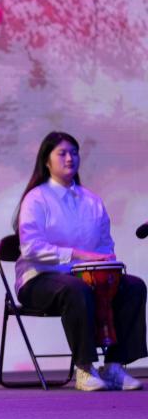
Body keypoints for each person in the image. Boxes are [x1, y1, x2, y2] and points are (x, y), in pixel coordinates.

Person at [14, 131, 146, 391]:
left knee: (133, 286)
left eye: (74, 153)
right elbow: (30, 248)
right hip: (39, 279)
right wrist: (77, 255)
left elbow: (104, 247)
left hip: (84, 279)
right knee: (76, 289)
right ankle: (84, 368)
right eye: (62, 153)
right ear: (47, 161)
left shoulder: (92, 201)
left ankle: (114, 366)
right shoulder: (36, 199)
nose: (69, 158)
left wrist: (107, 268)